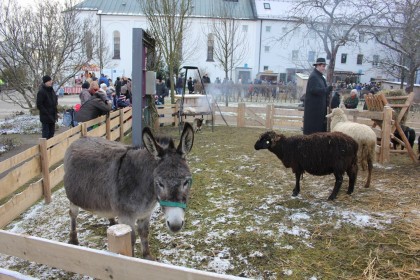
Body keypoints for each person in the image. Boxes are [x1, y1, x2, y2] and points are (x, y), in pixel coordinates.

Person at [303, 58, 333, 135]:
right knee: (314, 130)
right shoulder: (314, 77)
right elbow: (313, 90)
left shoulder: (319, 77)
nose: (324, 68)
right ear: (318, 66)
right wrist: (326, 89)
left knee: (319, 129)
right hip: (314, 110)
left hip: (319, 109)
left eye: (324, 66)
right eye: (323, 66)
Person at [36, 75, 58, 139]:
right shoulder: (41, 91)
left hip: (52, 115)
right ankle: (45, 148)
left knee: (52, 133)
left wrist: (56, 113)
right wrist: (46, 113)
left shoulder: (51, 90)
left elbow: (54, 101)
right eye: (49, 81)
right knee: (46, 134)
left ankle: (50, 147)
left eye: (51, 80)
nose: (51, 82)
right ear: (45, 82)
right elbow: (39, 105)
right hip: (46, 117)